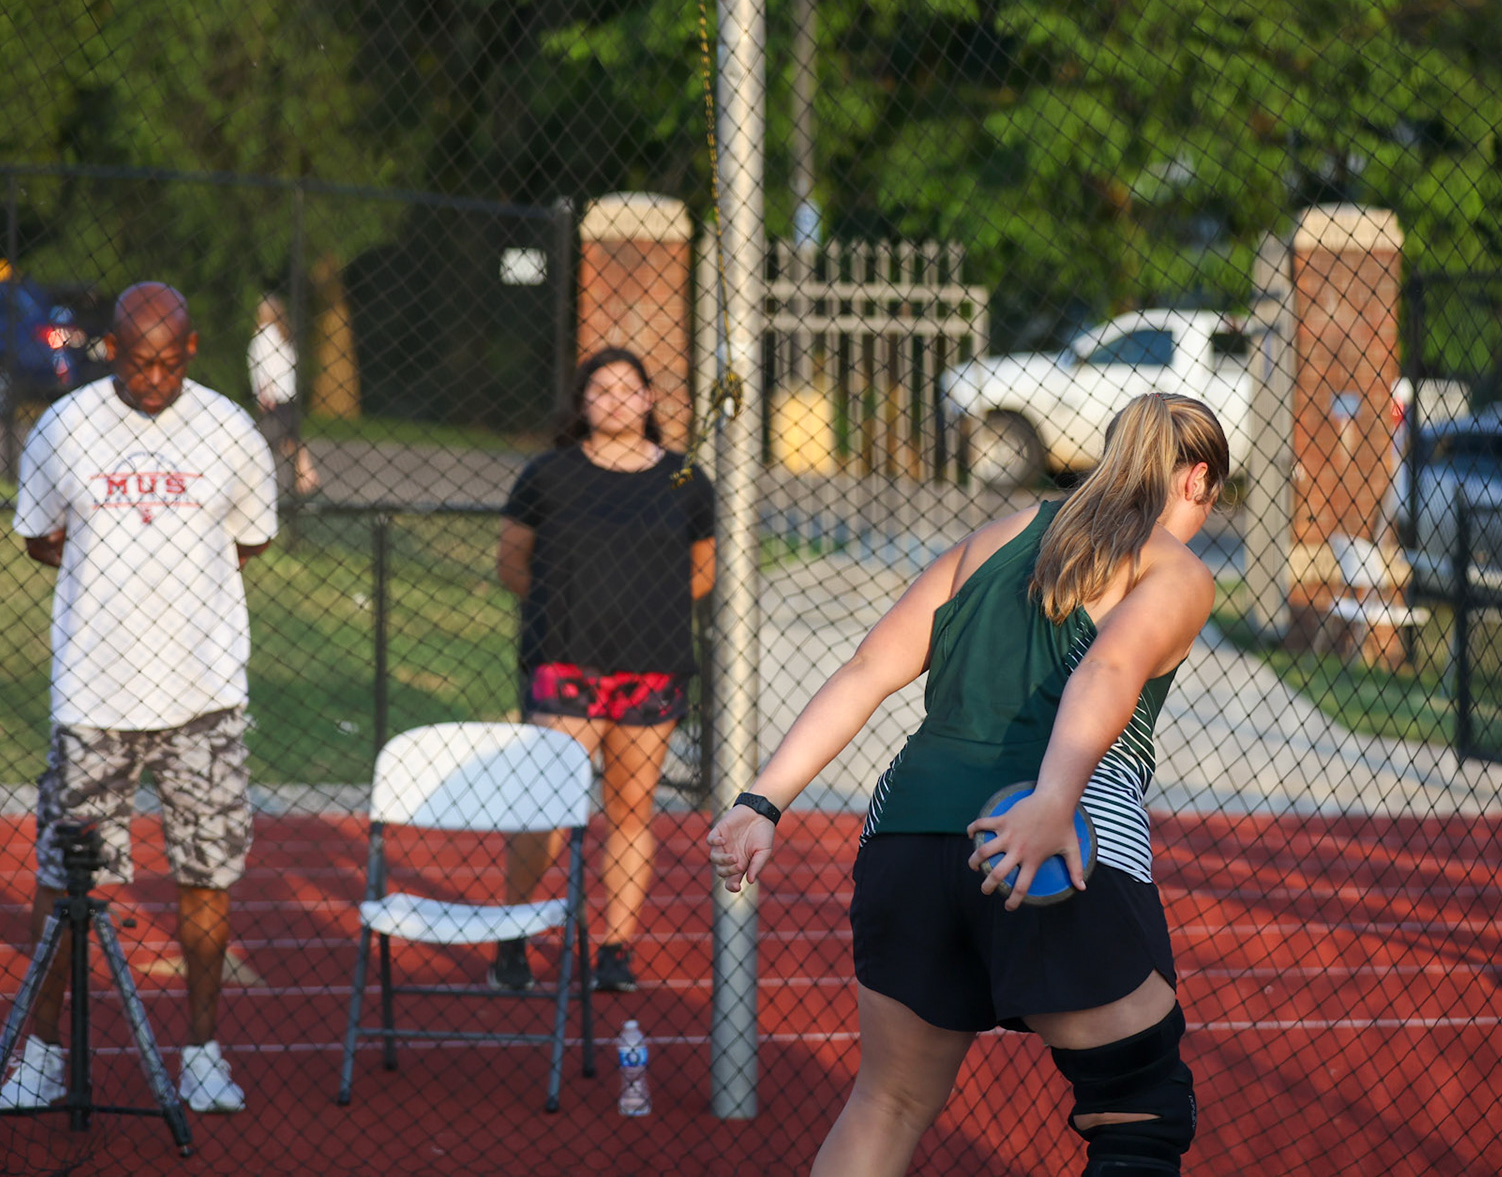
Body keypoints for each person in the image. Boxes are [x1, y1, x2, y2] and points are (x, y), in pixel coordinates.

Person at [709, 392, 1227, 1177]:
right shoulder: (1175, 567)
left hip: (910, 830)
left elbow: (865, 670)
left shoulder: (994, 537)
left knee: (887, 1104)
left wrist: (761, 801)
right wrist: (1051, 803)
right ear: (1195, 480)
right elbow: (1109, 668)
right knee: (1141, 1112)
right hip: (1052, 835)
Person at [0, 282, 278, 1113]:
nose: (151, 379)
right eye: (135, 361)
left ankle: (201, 1054)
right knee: (64, 877)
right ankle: (42, 1057)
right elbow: (39, 537)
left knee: (206, 874)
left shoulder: (229, 430)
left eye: (167, 362)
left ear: (190, 351)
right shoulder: (67, 426)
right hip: (94, 695)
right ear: (110, 348)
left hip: (204, 696)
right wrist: (108, 564)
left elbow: (248, 539)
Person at [492, 348, 715, 994]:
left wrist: (644, 610)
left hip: (651, 667)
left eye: (628, 389)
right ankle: (513, 934)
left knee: (630, 813)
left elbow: (703, 570)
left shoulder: (682, 478)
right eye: (601, 389)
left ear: (649, 400)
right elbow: (513, 564)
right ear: (581, 402)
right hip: (566, 665)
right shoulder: (548, 474)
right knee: (548, 808)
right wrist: (571, 609)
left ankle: (614, 949)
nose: (615, 399)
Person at [247, 292, 317, 497]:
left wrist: (264, 395)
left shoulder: (264, 335)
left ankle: (304, 474)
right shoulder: (284, 334)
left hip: (271, 398)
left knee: (266, 443)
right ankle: (305, 475)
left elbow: (262, 368)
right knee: (288, 441)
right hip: (287, 396)